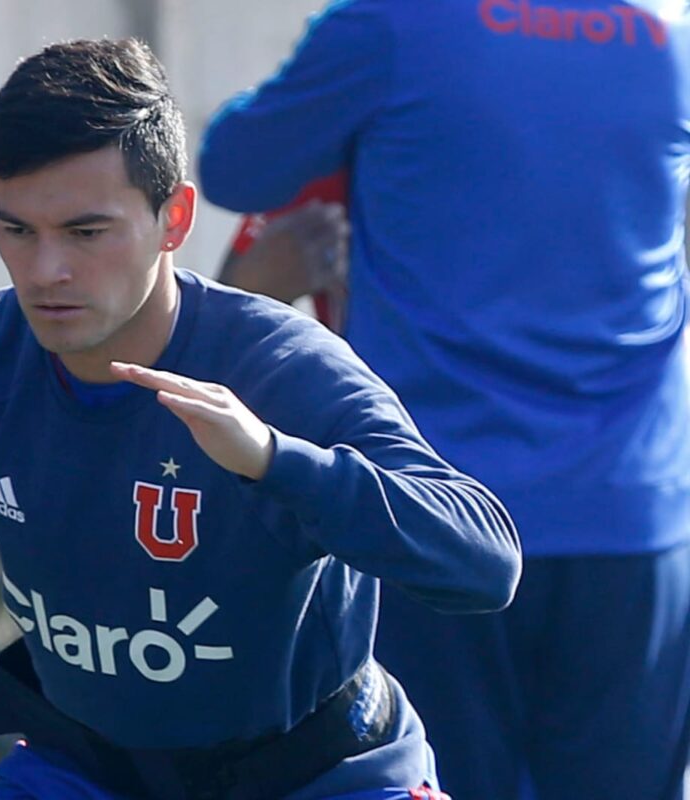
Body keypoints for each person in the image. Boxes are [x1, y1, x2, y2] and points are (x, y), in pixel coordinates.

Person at [0, 37, 520, 800]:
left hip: (323, 775)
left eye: (85, 233)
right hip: (87, 772)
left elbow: (484, 561)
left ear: (173, 219)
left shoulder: (280, 368)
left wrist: (275, 461)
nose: (46, 270)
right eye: (17, 229)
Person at [197, 2, 690, 798]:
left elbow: (232, 168)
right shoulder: (668, 37)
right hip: (630, 515)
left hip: (433, 519)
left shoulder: (390, 24)